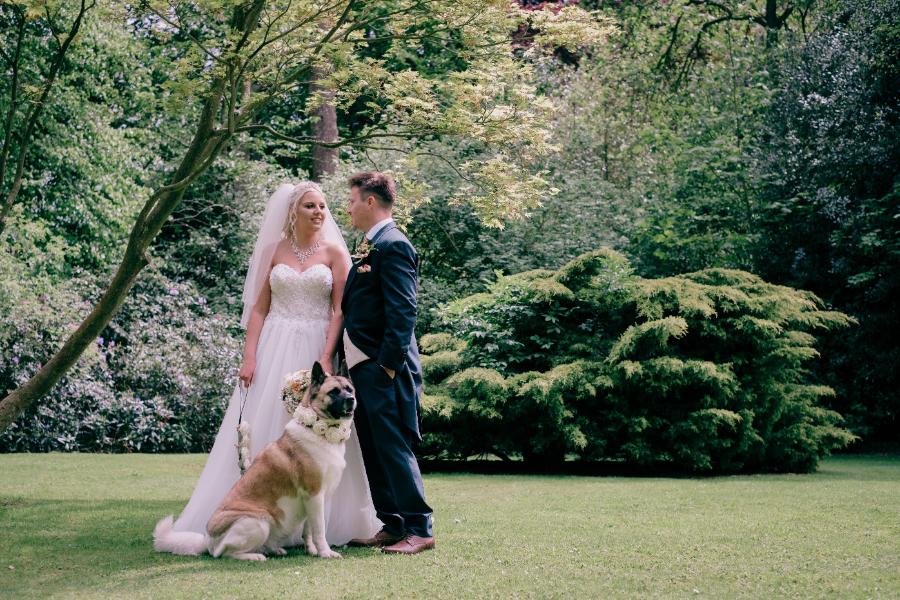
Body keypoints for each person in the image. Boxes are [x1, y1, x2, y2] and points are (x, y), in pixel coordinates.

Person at [166, 181, 380, 547]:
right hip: (274, 344)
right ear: (293, 211)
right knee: (270, 425)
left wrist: (327, 354)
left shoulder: (335, 253)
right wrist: (249, 356)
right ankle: (262, 510)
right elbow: (260, 308)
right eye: (310, 206)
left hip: (317, 344)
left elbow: (339, 309)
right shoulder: (273, 250)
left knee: (319, 431)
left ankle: (326, 524)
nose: (319, 212)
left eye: (324, 206)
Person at [342, 172, 435, 554]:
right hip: (363, 364)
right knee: (374, 447)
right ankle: (393, 523)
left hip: (383, 366)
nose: (346, 208)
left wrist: (388, 366)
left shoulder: (394, 245)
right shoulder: (370, 245)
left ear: (370, 201)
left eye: (351, 200)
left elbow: (403, 312)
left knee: (394, 446)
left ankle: (419, 529)